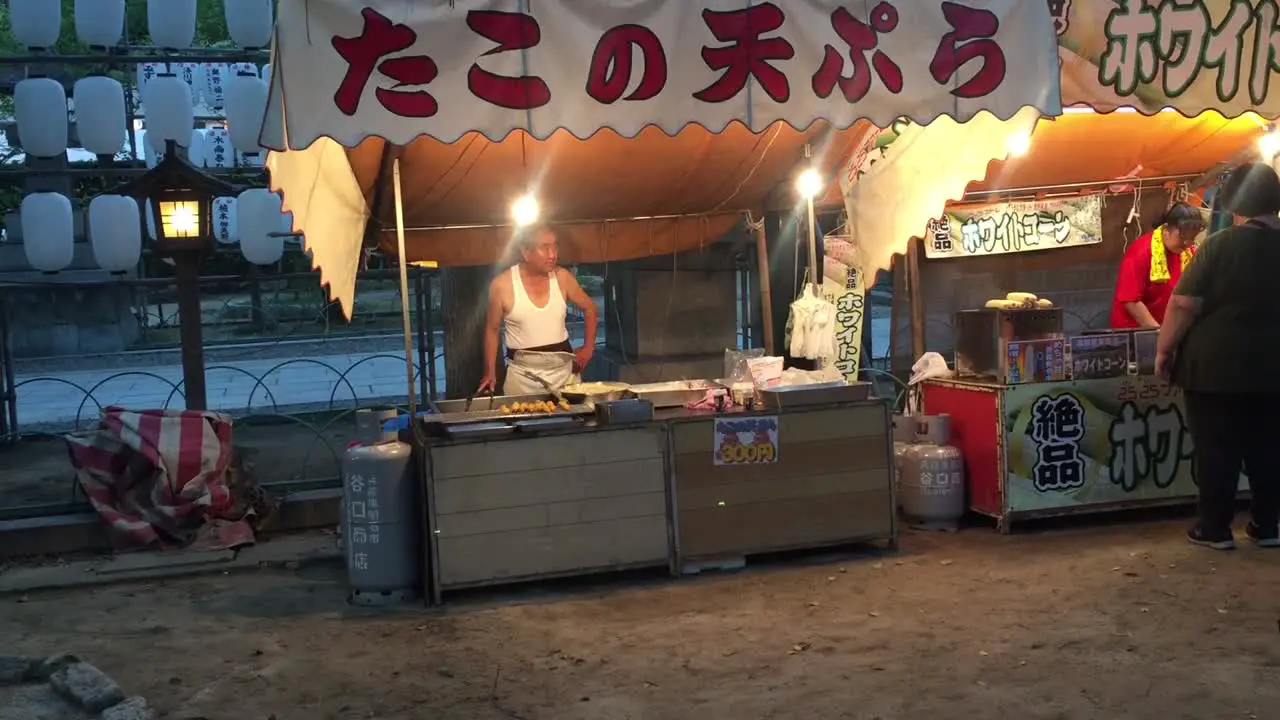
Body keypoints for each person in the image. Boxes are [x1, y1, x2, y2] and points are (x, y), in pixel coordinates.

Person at [1156, 162, 1280, 550]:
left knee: (1216, 447)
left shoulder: (1220, 245)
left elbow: (1183, 305)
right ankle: (1267, 526)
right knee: (1269, 446)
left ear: (1237, 202)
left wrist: (1164, 350)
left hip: (1214, 368)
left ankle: (1215, 528)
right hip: (1273, 368)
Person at [477, 225, 598, 395]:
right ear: (526, 252)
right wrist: (489, 371)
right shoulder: (502, 285)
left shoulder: (562, 277)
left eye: (555, 246)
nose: (553, 255)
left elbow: (590, 308)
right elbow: (492, 329)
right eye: (545, 248)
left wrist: (589, 348)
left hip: (564, 374)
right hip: (522, 377)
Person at [1109, 202, 1205, 328]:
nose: (1187, 242)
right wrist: (1158, 332)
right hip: (1136, 328)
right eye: (1182, 236)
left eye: (1192, 237)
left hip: (1167, 325)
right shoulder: (1141, 251)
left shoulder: (1188, 253)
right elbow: (1130, 300)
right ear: (1166, 229)